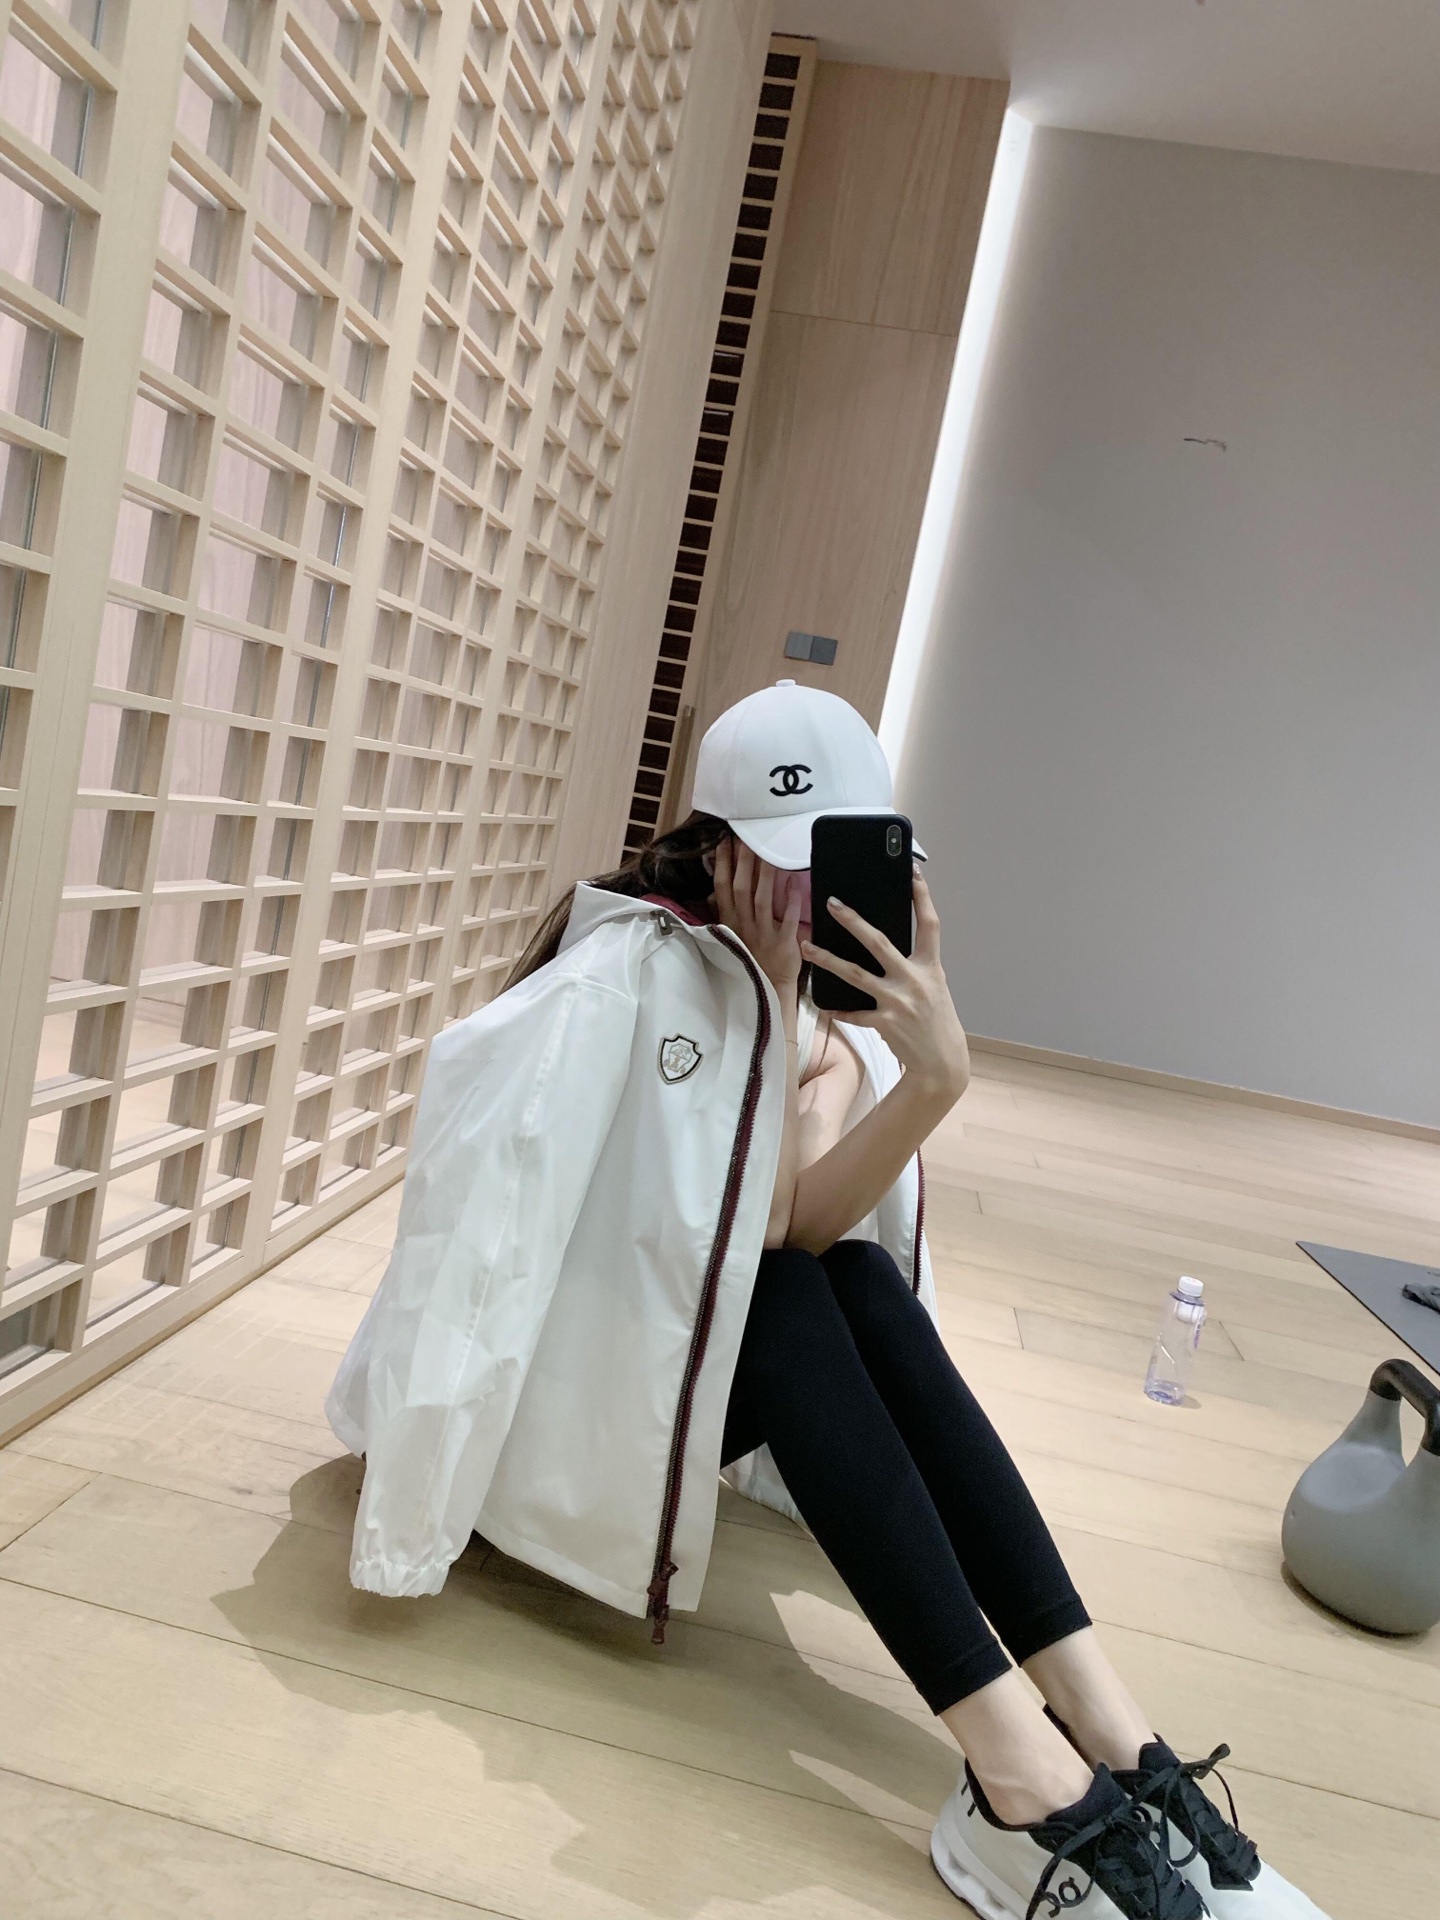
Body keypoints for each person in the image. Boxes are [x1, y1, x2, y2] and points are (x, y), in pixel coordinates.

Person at [327, 682, 1330, 1920]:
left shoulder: (802, 1007)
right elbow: (684, 1256)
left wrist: (930, 1080)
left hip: (669, 1379)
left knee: (844, 1275)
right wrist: (763, 1018)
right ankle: (1021, 1781)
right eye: (787, 862)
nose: (817, 896)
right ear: (719, 853)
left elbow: (796, 1226)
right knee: (788, 1302)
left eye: (841, 862)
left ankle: (1112, 1735)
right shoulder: (631, 975)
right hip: (558, 1406)